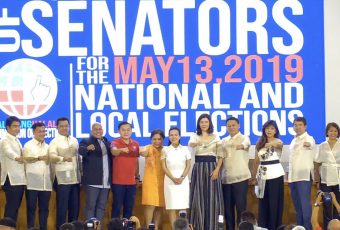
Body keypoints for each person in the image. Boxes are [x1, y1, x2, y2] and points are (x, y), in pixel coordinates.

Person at [188, 113, 224, 230]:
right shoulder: (194, 136)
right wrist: (197, 143)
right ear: (199, 124)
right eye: (202, 122)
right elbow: (191, 144)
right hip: (198, 168)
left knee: (213, 197)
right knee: (198, 197)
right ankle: (198, 226)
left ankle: (213, 226)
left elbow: (220, 155)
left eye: (206, 122)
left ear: (210, 123)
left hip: (212, 167)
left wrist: (217, 170)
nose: (204, 124)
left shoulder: (216, 136)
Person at [251, 120, 285, 230]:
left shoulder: (277, 141)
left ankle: (274, 227)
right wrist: (253, 176)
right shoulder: (259, 142)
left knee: (274, 203)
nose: (269, 130)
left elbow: (279, 144)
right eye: (267, 128)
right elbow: (256, 161)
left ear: (275, 131)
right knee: (263, 204)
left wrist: (271, 144)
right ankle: (263, 227)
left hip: (275, 175)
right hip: (261, 176)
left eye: (272, 128)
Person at [49, 117, 80, 229]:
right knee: (62, 208)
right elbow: (51, 157)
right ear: (57, 127)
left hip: (75, 178)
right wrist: (63, 158)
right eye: (61, 126)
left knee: (74, 207)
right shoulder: (54, 141)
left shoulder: (74, 140)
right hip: (62, 179)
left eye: (66, 125)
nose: (64, 128)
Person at [221, 117, 251, 230]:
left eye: (233, 125)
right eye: (229, 125)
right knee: (228, 210)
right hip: (226, 179)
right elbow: (220, 158)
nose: (231, 127)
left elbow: (246, 144)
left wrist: (241, 146)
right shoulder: (223, 141)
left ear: (238, 126)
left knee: (241, 209)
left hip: (240, 179)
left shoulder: (244, 138)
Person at [79, 123, 112, 221]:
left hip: (106, 182)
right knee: (90, 206)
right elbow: (81, 150)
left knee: (102, 207)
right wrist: (87, 149)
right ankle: (90, 227)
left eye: (100, 129)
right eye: (95, 129)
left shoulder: (106, 142)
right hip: (92, 182)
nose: (98, 131)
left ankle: (98, 227)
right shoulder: (86, 141)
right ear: (91, 131)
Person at [23, 122, 52, 230]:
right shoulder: (28, 145)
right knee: (31, 209)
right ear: (34, 132)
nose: (42, 133)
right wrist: (39, 157)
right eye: (39, 131)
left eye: (44, 131)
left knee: (44, 209)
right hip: (32, 183)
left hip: (46, 183)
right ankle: (30, 228)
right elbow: (26, 158)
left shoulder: (49, 147)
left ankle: (43, 228)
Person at [289, 117, 316, 230]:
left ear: (305, 126)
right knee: (298, 207)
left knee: (305, 206)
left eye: (300, 125)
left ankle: (308, 228)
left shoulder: (309, 138)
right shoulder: (293, 140)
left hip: (304, 176)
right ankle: (300, 228)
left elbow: (310, 144)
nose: (297, 127)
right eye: (295, 125)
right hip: (293, 177)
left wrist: (307, 144)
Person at [161, 127, 191, 227]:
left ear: (179, 136)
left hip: (183, 181)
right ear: (168, 137)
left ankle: (184, 228)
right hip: (170, 181)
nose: (174, 137)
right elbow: (164, 166)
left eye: (176, 135)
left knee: (183, 207)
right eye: (171, 135)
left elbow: (188, 165)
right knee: (171, 207)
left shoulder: (185, 149)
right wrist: (173, 178)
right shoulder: (165, 150)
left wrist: (182, 177)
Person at [110, 121, 140, 219]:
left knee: (129, 208)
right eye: (123, 130)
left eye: (128, 130)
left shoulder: (135, 144)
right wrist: (121, 150)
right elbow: (113, 151)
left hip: (131, 182)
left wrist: (137, 176)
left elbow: (136, 161)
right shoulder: (115, 142)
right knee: (117, 207)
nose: (126, 132)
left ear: (131, 131)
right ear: (119, 131)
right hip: (118, 182)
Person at [314, 122, 340, 229]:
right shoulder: (322, 145)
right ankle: (327, 227)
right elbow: (316, 162)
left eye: (335, 131)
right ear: (327, 132)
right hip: (325, 180)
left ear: (338, 132)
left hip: (338, 179)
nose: (333, 133)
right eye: (330, 130)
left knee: (337, 204)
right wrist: (316, 179)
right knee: (327, 205)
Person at [0, 116, 26, 223]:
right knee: (11, 208)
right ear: (8, 127)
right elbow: (8, 151)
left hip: (19, 179)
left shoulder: (16, 140)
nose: (17, 128)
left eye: (19, 126)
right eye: (15, 126)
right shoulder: (5, 140)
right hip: (10, 179)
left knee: (15, 208)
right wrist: (17, 157)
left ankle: (11, 227)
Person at [140, 129, 165, 229]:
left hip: (162, 181)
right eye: (154, 139)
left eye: (159, 139)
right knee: (150, 205)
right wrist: (141, 151)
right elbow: (143, 152)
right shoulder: (148, 148)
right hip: (150, 181)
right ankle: (148, 226)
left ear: (163, 139)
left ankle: (156, 228)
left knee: (159, 206)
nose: (157, 141)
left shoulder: (165, 150)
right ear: (151, 139)